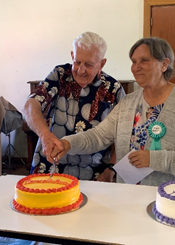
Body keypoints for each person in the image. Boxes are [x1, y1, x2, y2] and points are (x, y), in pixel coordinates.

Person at [51, 37, 175, 186]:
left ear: (164, 64)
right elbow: (98, 136)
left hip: (167, 199)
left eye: (144, 60)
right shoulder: (127, 103)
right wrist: (67, 143)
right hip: (127, 194)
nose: (136, 67)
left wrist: (155, 160)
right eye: (134, 62)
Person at [22, 31, 125, 182]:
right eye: (77, 62)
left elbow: (121, 134)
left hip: (93, 172)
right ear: (72, 56)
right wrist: (44, 135)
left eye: (88, 65)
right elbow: (30, 104)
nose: (80, 70)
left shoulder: (113, 89)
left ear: (102, 63)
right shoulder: (60, 75)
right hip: (50, 165)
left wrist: (111, 169)